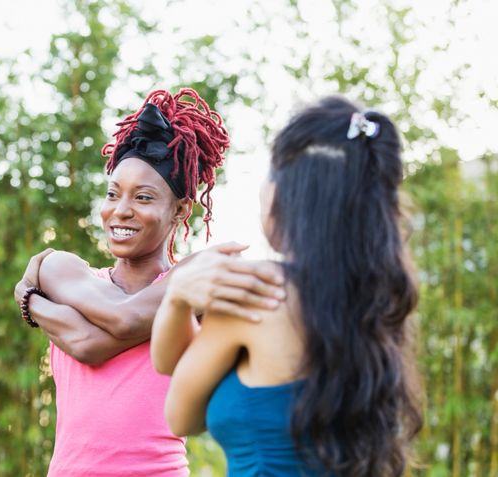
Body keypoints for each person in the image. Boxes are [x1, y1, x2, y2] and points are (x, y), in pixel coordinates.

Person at [14, 88, 286, 476]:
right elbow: (99, 334)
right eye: (112, 194)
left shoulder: (195, 287)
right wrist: (32, 297)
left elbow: (99, 338)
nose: (120, 211)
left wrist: (27, 299)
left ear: (179, 210)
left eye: (143, 197)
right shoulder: (62, 270)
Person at [152, 97, 423, 476]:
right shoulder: (372, 303)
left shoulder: (264, 292)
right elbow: (172, 362)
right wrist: (179, 299)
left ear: (286, 194)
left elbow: (181, 416)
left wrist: (178, 293)